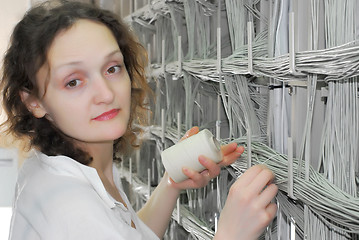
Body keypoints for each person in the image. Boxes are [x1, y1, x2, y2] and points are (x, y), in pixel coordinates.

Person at [0, 1, 278, 239]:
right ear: (33, 101)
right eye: (73, 82)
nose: (106, 94)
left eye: (112, 68)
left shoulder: (67, 166)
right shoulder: (71, 207)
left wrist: (172, 184)